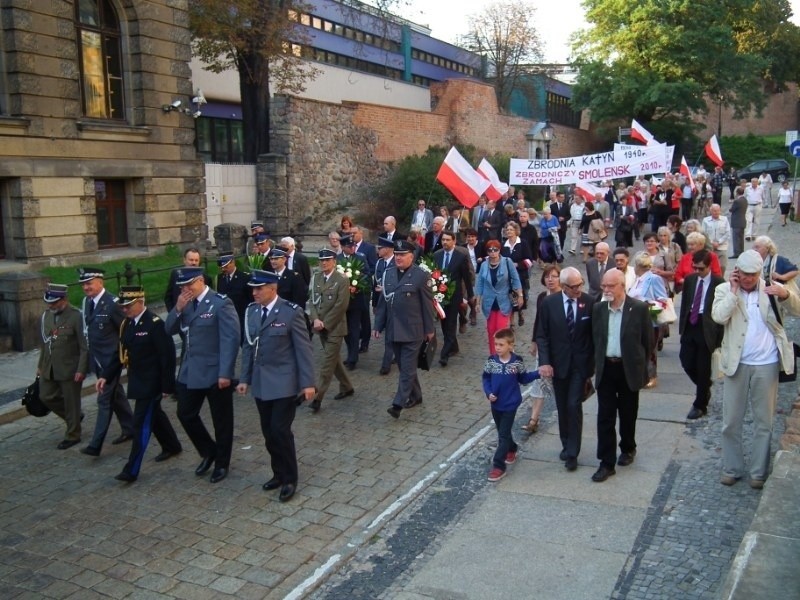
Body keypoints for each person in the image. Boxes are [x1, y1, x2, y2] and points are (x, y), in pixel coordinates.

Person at [711, 250, 800, 489]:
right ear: (737, 271)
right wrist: (733, 292)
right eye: (745, 274)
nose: (749, 279)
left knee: (764, 421)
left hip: (767, 363)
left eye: (753, 274)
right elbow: (719, 317)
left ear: (760, 272)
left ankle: (759, 472)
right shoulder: (725, 290)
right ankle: (731, 467)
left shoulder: (772, 288)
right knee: (731, 420)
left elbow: (798, 309)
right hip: (737, 363)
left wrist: (785, 294)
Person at [237, 270, 316, 502]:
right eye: (253, 289)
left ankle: (290, 478)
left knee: (280, 431)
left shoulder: (291, 313)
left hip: (284, 382)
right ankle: (278, 473)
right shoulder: (251, 312)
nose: (254, 293)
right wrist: (244, 379)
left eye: (259, 289)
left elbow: (304, 350)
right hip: (262, 383)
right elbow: (249, 347)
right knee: (268, 433)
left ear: (273, 288)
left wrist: (308, 383)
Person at [97, 286, 183, 483]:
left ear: (140, 303)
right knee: (155, 416)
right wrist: (106, 376)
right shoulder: (126, 325)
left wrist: (167, 386)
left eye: (128, 306)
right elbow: (119, 354)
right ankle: (172, 445)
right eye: (123, 306)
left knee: (140, 425)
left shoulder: (155, 324)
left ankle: (131, 469)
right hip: (138, 381)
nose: (124, 310)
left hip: (152, 384)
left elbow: (167, 357)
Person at [165, 266, 240, 484]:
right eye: (181, 287)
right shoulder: (185, 303)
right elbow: (169, 330)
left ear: (200, 281)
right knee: (185, 413)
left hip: (216, 371)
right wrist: (178, 308)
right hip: (191, 370)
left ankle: (222, 462)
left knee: (222, 421)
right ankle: (209, 450)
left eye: (188, 285)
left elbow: (230, 339)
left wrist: (226, 372)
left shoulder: (220, 303)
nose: (185, 290)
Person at [590, 269, 652, 483]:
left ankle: (628, 447)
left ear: (622, 286)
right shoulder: (598, 309)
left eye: (610, 286)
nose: (606, 290)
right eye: (603, 286)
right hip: (606, 368)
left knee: (627, 413)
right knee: (605, 417)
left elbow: (647, 343)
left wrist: (644, 370)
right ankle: (606, 462)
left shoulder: (639, 308)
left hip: (628, 369)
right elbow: (595, 340)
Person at [535, 267, 595, 472]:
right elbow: (542, 335)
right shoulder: (549, 304)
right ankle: (565, 442)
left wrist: (593, 364)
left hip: (580, 365)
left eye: (580, 285)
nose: (578, 289)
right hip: (558, 365)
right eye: (574, 286)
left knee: (573, 405)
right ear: (564, 286)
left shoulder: (589, 302)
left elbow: (594, 335)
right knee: (562, 406)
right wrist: (544, 361)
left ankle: (573, 452)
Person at [373, 239, 435, 419]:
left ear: (411, 256)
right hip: (394, 330)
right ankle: (417, 395)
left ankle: (398, 404)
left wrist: (429, 330)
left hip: (413, 330)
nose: (398, 258)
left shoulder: (421, 276)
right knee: (404, 367)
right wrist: (378, 325)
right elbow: (383, 302)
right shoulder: (389, 274)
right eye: (397, 255)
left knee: (407, 368)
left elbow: (427, 305)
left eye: (402, 255)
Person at [77, 267, 134, 456]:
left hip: (111, 362)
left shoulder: (113, 304)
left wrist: (121, 358)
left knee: (103, 400)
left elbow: (125, 331)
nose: (86, 287)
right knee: (116, 395)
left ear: (100, 282)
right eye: (83, 284)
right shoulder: (86, 302)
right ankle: (130, 427)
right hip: (97, 360)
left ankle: (95, 444)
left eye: (89, 283)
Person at [483, 328, 540, 482]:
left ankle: (498, 466)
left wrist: (538, 373)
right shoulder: (491, 361)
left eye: (501, 345)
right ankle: (512, 448)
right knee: (504, 432)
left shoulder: (517, 362)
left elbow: (523, 378)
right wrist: (489, 393)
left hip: (510, 404)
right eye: (496, 344)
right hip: (496, 405)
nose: (498, 348)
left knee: (502, 435)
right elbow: (486, 378)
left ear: (510, 345)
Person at [37, 283, 89, 449]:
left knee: (71, 401)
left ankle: (73, 434)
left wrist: (81, 369)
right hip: (49, 366)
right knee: (46, 396)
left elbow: (84, 346)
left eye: (54, 303)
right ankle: (74, 417)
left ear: (64, 300)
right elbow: (44, 344)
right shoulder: (46, 316)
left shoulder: (76, 316)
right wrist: (40, 366)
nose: (51, 306)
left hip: (70, 368)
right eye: (49, 303)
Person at [678, 250, 725, 420]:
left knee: (704, 366)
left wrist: (719, 338)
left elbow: (722, 312)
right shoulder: (690, 280)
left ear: (709, 266)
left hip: (707, 327)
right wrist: (682, 327)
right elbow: (685, 303)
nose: (697, 271)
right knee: (686, 361)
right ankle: (704, 387)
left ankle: (700, 404)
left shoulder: (719, 282)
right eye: (695, 268)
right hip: (691, 324)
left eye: (701, 268)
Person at [308, 248, 353, 412]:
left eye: (327, 260)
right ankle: (347, 386)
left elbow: (341, 306)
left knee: (327, 363)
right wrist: (315, 319)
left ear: (334, 261)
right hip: (320, 326)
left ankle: (317, 397)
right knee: (333, 360)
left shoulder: (341, 279)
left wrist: (325, 323)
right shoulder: (316, 277)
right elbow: (311, 301)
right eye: (321, 260)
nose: (324, 263)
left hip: (335, 327)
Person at [524, 265, 561, 434]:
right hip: (543, 345)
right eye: (547, 276)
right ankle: (533, 419)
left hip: (560, 347)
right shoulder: (541, 297)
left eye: (554, 276)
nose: (551, 279)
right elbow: (538, 321)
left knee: (557, 383)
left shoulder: (563, 297)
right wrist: (534, 341)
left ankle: (565, 416)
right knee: (539, 380)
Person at [474, 240, 522, 355]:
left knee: (500, 330)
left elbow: (515, 279)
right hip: (489, 303)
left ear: (499, 250)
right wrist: (477, 302)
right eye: (490, 250)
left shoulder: (507, 262)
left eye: (495, 249)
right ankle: (493, 357)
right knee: (491, 331)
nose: (493, 252)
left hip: (504, 301)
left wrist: (520, 295)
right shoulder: (484, 265)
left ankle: (505, 354)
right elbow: (480, 283)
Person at [629, 252, 668, 389]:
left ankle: (652, 376)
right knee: (639, 348)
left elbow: (663, 299)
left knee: (650, 349)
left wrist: (646, 303)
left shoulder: (653, 278)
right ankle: (641, 375)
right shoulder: (638, 280)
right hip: (635, 320)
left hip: (650, 320)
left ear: (639, 265)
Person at [434, 230, 474, 366]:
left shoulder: (460, 256)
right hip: (440, 296)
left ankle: (444, 355)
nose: (445, 242)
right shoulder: (436, 255)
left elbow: (466, 278)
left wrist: (470, 295)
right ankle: (454, 347)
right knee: (444, 324)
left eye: (447, 240)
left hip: (455, 295)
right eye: (443, 240)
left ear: (454, 241)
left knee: (451, 324)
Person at [338, 234, 370, 370]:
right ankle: (351, 352)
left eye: (354, 246)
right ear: (343, 247)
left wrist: (357, 285)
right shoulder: (337, 260)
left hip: (356, 299)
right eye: (350, 246)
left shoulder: (360, 257)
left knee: (354, 327)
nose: (353, 248)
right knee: (346, 330)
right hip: (342, 301)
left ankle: (353, 358)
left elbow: (367, 274)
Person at [501, 221, 532, 327]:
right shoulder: (503, 245)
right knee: (509, 298)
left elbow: (529, 260)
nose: (508, 231)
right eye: (507, 230)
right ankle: (511, 324)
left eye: (511, 229)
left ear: (516, 231)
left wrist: (517, 265)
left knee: (519, 296)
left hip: (520, 275)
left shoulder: (523, 243)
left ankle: (520, 312)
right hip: (507, 276)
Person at [373, 237, 396, 375]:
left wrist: (386, 288)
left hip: (395, 304)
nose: (378, 250)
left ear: (387, 249)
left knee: (391, 335)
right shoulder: (379, 263)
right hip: (382, 303)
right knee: (389, 335)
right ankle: (391, 358)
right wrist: (375, 303)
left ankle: (386, 363)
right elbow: (375, 283)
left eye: (380, 248)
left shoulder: (397, 262)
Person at [164, 247, 212, 312]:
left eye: (196, 260)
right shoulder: (175, 275)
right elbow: (168, 297)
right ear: (184, 260)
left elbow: (209, 300)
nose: (194, 263)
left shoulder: (206, 278)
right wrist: (174, 313)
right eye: (191, 260)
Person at [215, 254, 252, 338]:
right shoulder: (219, 278)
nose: (224, 269)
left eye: (226, 266)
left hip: (241, 316)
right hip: (226, 317)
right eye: (222, 267)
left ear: (233, 262)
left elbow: (250, 299)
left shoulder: (245, 277)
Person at [462, 228, 484, 326]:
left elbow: (489, 256)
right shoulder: (463, 247)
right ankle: (471, 310)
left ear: (476, 237)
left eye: (472, 237)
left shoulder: (481, 245)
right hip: (466, 274)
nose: (470, 239)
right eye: (468, 237)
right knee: (465, 295)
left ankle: (474, 314)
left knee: (473, 295)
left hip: (478, 273)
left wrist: (482, 259)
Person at [702, 204, 731, 275]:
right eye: (714, 211)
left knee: (722, 266)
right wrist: (711, 243)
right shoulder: (706, 220)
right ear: (711, 211)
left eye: (718, 211)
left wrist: (719, 242)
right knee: (710, 266)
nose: (716, 212)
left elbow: (727, 233)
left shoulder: (724, 219)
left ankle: (720, 279)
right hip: (710, 247)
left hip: (722, 247)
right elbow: (703, 233)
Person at [729, 186, 747, 257]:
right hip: (742, 221)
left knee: (736, 238)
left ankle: (736, 253)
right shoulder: (745, 200)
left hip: (736, 222)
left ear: (737, 193)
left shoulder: (737, 201)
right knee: (741, 238)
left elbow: (731, 209)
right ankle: (741, 251)